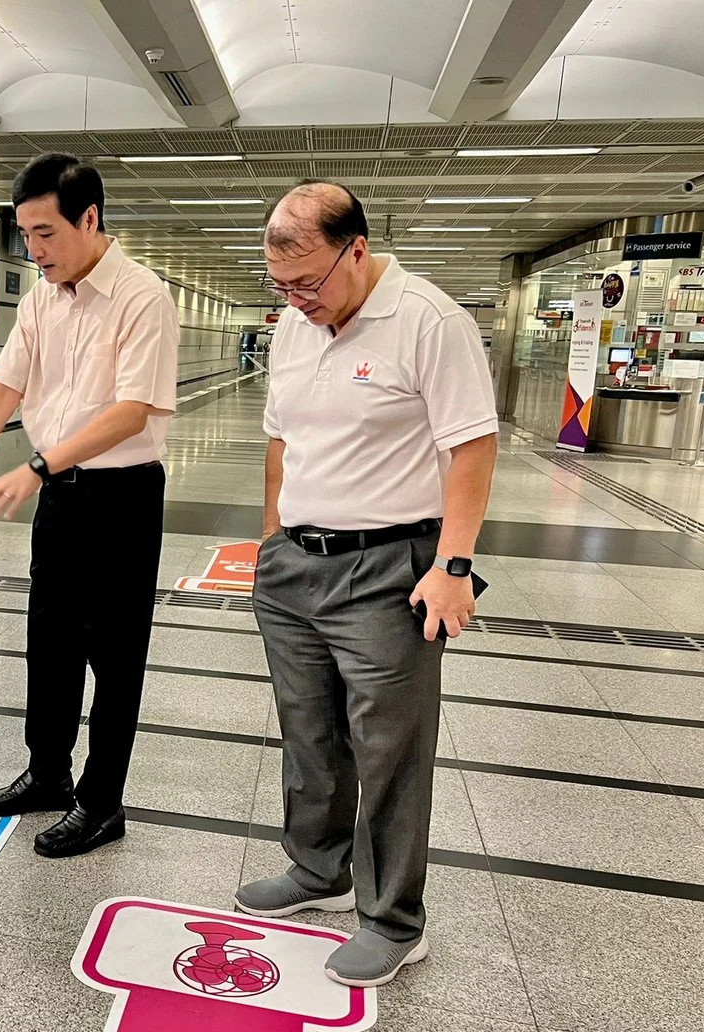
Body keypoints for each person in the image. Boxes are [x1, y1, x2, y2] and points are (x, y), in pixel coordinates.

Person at [234, 181, 498, 988]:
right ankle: (317, 870)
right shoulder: (293, 326)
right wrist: (273, 539)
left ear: (356, 249)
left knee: (389, 748)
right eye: (281, 287)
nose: (297, 299)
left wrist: (453, 568)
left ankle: (393, 919)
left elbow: (473, 447)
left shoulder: (428, 320)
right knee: (308, 732)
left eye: (308, 281)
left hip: (390, 566)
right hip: (295, 568)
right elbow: (281, 441)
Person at [0, 155, 178, 857]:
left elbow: (131, 412)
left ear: (90, 219)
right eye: (25, 234)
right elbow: (3, 389)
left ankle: (101, 803)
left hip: (120, 496)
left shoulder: (141, 296)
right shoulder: (41, 298)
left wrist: (35, 466)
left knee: (115, 659)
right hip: (61, 495)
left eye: (46, 233)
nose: (33, 250)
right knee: (50, 645)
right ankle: (48, 774)